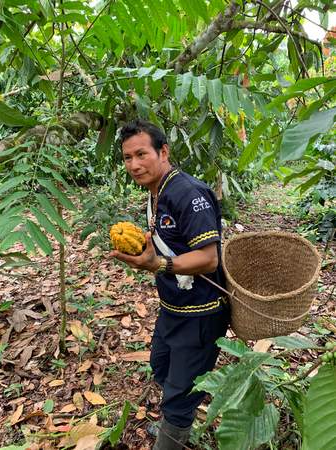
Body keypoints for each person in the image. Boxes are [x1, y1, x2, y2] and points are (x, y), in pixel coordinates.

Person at [110, 119, 230, 450]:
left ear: (163, 151)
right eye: (127, 158)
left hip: (200, 314)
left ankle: (173, 432)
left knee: (179, 394)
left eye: (141, 154)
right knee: (160, 366)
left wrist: (158, 264)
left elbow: (208, 259)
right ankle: (175, 424)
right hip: (173, 310)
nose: (134, 165)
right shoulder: (157, 193)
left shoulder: (188, 193)